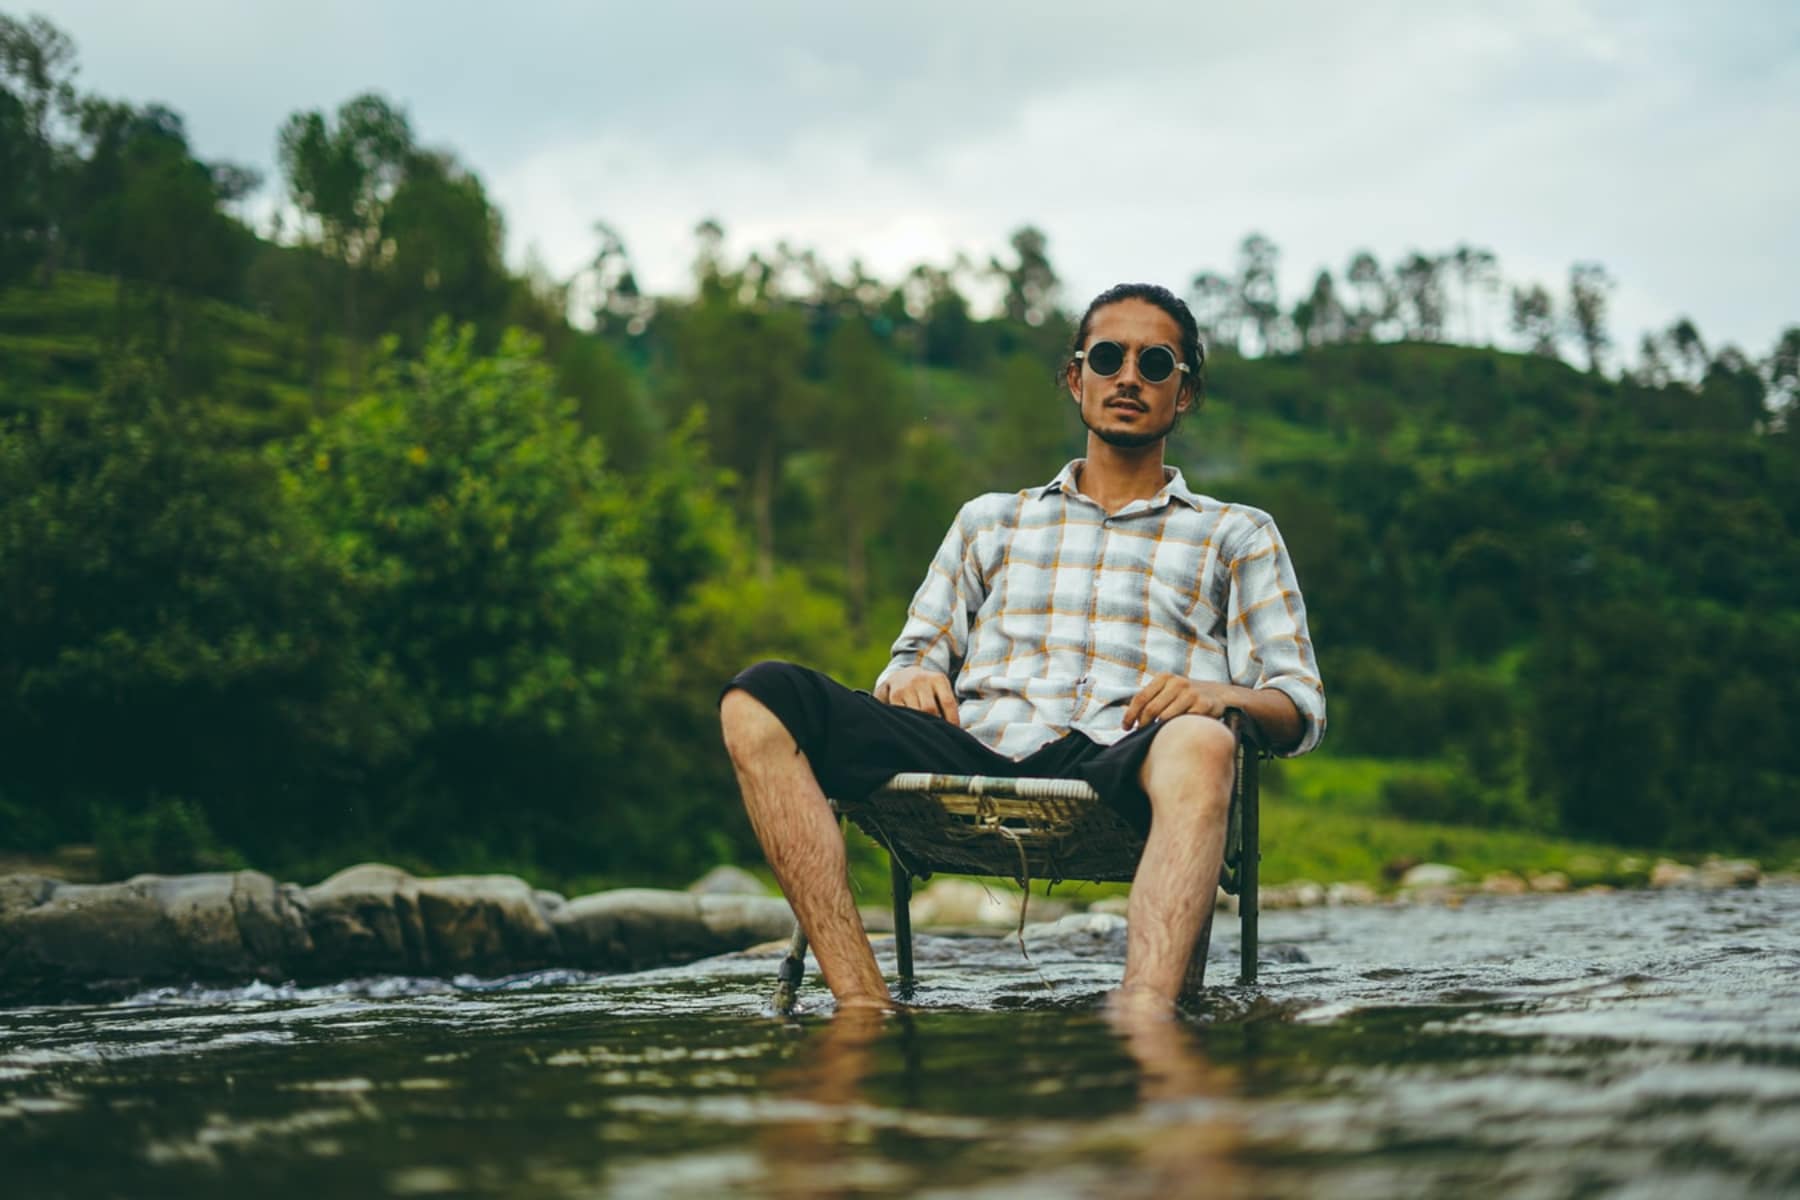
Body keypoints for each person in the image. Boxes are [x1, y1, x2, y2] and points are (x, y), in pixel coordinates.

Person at [719, 282, 1325, 1018]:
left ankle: (1144, 1017)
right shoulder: (989, 522)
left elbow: (1297, 704)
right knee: (758, 699)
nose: (1129, 377)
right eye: (1108, 357)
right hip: (971, 746)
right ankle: (862, 1006)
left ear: (1185, 392)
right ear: (1077, 379)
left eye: (1156, 363)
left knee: (1201, 740)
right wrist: (909, 673)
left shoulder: (1237, 533)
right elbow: (915, 654)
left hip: (1123, 755)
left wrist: (1223, 696)